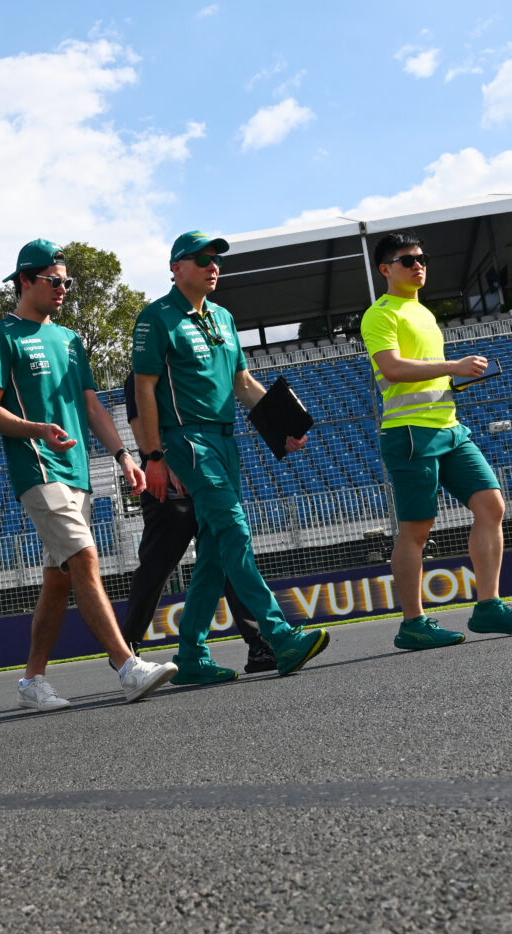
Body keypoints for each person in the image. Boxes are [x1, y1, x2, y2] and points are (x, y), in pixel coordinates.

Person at [0, 239, 177, 709]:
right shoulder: (0, 336)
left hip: (77, 472)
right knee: (85, 559)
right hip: (37, 467)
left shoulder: (69, 339)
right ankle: (127, 666)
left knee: (60, 578)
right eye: (54, 281)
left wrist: (124, 455)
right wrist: (37, 430)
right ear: (25, 281)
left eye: (67, 282)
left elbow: (91, 406)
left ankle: (31, 681)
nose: (63, 289)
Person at [129, 231, 332, 682]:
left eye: (217, 260)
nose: (213, 266)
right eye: (202, 259)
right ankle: (280, 635)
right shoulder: (156, 318)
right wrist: (154, 455)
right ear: (176, 268)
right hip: (188, 441)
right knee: (235, 531)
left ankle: (191, 655)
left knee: (215, 552)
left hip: (225, 440)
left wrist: (282, 429)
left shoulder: (223, 316)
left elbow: (243, 383)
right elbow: (143, 389)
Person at [361, 231, 512, 648]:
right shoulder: (380, 314)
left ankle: (489, 606)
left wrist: (455, 378)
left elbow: (425, 373)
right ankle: (413, 623)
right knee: (417, 530)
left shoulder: (423, 313)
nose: (418, 266)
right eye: (408, 261)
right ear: (385, 269)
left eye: (422, 259)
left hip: (449, 427)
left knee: (491, 505)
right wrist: (452, 366)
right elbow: (392, 368)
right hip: (411, 433)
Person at [115, 371, 275, 673]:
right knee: (155, 568)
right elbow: (140, 423)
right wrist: (166, 462)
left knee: (225, 555)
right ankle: (124, 648)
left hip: (203, 473)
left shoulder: (186, 367)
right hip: (167, 488)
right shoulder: (142, 372)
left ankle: (258, 644)